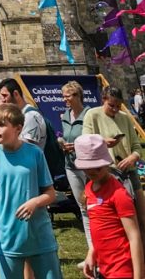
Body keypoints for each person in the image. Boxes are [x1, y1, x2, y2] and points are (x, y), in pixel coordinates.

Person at [0, 103, 61, 279]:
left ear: (18, 128)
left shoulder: (35, 153)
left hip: (40, 236)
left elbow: (50, 193)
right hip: (8, 237)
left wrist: (35, 202)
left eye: (2, 125)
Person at [74, 134, 144, 279]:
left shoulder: (119, 194)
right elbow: (98, 229)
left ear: (106, 163)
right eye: (87, 168)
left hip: (122, 269)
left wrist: (139, 276)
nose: (92, 172)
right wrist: (91, 254)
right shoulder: (89, 188)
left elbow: (134, 237)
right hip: (104, 268)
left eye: (97, 168)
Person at [83, 85, 145, 240]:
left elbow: (137, 146)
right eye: (111, 105)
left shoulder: (124, 117)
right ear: (103, 99)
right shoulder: (92, 115)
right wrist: (103, 142)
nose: (115, 109)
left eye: (118, 106)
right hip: (107, 174)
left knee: (141, 216)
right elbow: (86, 141)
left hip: (130, 172)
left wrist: (133, 157)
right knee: (119, 219)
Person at [59, 81, 93, 253]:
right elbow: (66, 136)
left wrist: (77, 146)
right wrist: (62, 144)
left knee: (94, 205)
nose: (64, 99)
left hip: (88, 166)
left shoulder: (89, 114)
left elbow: (93, 140)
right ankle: (92, 248)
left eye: (67, 96)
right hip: (71, 166)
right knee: (83, 206)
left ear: (78, 96)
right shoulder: (64, 115)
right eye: (63, 96)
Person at [0, 78, 46, 147]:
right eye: (1, 96)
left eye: (5, 95)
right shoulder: (18, 115)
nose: (3, 100)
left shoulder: (30, 116)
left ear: (16, 94)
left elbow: (26, 148)